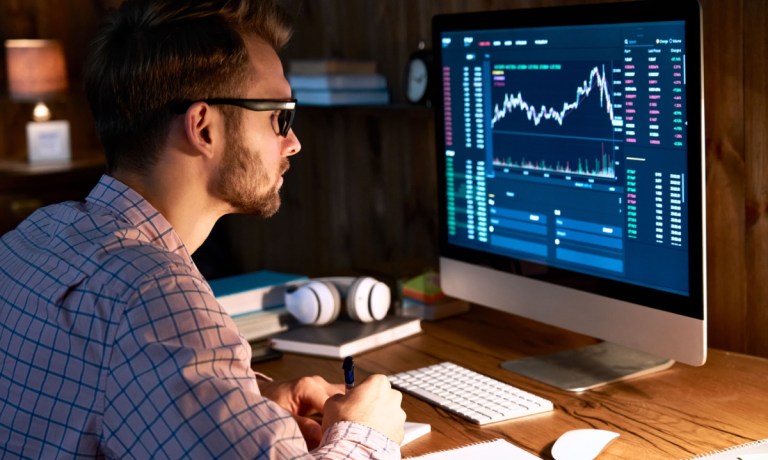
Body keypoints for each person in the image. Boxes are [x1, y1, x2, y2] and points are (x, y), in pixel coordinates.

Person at [0, 0, 406, 458]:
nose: (293, 142)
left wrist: (247, 403)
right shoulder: (154, 295)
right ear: (203, 127)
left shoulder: (33, 236)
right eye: (279, 116)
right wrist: (366, 432)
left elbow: (110, 389)